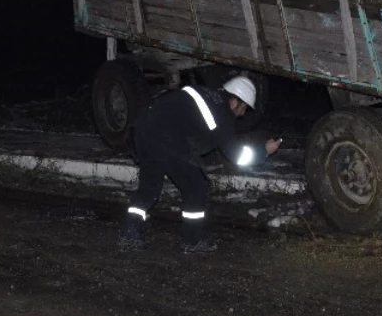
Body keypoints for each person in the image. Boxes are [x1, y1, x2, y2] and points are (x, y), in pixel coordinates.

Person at [118, 75, 282, 253]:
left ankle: (129, 234)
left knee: (149, 189)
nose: (243, 114)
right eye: (244, 108)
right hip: (167, 139)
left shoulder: (207, 93)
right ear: (235, 101)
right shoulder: (222, 114)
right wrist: (264, 150)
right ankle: (192, 240)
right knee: (196, 186)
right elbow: (237, 156)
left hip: (142, 131)